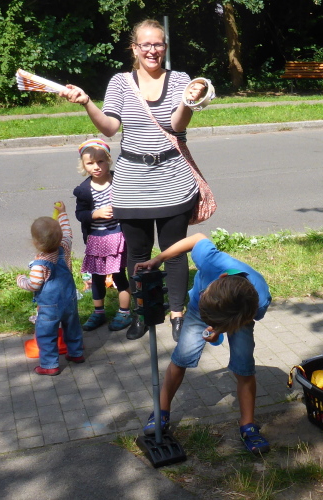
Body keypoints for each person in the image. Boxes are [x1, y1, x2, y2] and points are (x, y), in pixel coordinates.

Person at [60, 19, 208, 342]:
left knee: (174, 252)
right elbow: (110, 127)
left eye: (158, 44)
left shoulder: (180, 79)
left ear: (165, 47)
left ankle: (177, 314)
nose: (152, 50)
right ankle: (141, 313)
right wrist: (87, 102)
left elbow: (177, 125)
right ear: (135, 48)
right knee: (137, 255)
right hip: (131, 184)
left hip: (172, 179)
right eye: (146, 44)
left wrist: (188, 100)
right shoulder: (120, 82)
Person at [135, 233, 273, 455]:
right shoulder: (211, 261)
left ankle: (248, 425)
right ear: (221, 277)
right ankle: (161, 411)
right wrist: (159, 259)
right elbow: (197, 237)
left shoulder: (259, 300)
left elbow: (239, 319)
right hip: (200, 310)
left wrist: (220, 329)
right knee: (182, 356)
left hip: (238, 318)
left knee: (244, 366)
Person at [17, 202, 85, 376]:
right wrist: (62, 213)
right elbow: (68, 232)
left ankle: (49, 365)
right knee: (72, 326)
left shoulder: (40, 264)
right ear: (60, 236)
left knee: (46, 334)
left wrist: (21, 280)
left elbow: (34, 285)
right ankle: (76, 353)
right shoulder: (65, 246)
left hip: (49, 306)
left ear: (35, 242)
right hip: (69, 299)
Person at [73, 139, 134, 331]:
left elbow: (131, 202)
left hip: (117, 237)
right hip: (96, 240)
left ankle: (124, 312)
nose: (96, 166)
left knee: (119, 276)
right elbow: (80, 214)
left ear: (108, 161)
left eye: (101, 161)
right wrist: (95, 214)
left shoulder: (119, 181)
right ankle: (98, 312)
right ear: (84, 166)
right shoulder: (84, 190)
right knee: (97, 277)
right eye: (90, 163)